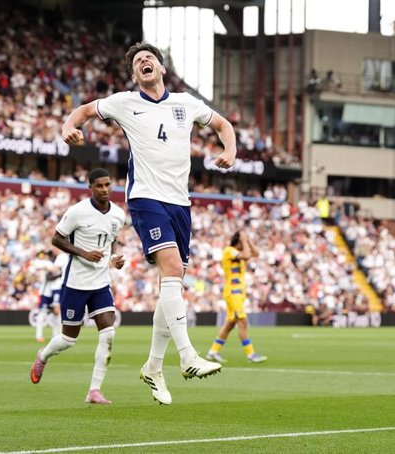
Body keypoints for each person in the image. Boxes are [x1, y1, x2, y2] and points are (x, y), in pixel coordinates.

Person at [61, 42, 237, 405]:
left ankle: (154, 367)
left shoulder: (185, 104)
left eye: (149, 59)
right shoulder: (125, 102)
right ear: (133, 75)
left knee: (171, 282)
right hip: (146, 198)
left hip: (180, 204)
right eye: (138, 61)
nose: (144, 62)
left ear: (161, 68)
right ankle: (187, 356)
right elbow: (81, 112)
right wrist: (69, 127)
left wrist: (229, 150)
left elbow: (223, 125)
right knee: (171, 268)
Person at [30, 168, 126, 405]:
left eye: (107, 185)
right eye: (99, 186)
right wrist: (83, 253)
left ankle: (94, 390)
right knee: (68, 339)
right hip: (76, 283)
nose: (105, 189)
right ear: (90, 188)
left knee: (108, 333)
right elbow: (56, 239)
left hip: (101, 282)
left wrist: (113, 260)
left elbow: (110, 244)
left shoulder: (118, 215)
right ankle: (43, 356)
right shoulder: (77, 212)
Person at [206, 230, 267, 364]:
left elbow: (256, 253)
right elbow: (246, 255)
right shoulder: (229, 250)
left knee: (230, 324)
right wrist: (244, 241)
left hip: (238, 293)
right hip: (233, 293)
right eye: (243, 241)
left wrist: (248, 240)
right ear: (238, 241)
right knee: (243, 321)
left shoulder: (238, 252)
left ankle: (213, 352)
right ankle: (251, 354)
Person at [34, 249, 68, 343]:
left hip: (55, 288)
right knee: (43, 312)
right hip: (45, 291)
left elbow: (53, 270)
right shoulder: (43, 263)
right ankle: (39, 334)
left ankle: (56, 334)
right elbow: (49, 274)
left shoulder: (51, 262)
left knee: (56, 312)